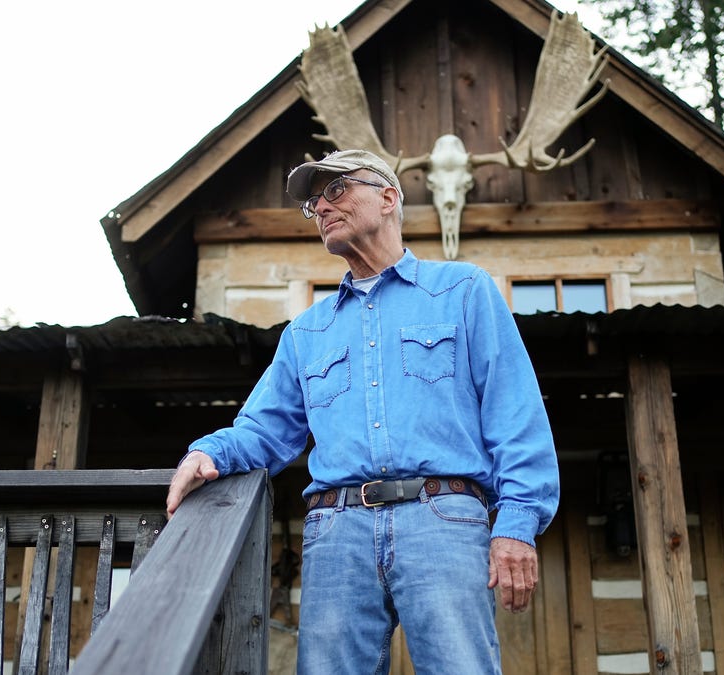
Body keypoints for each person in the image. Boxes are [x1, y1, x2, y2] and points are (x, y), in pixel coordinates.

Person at [165, 149, 559, 674]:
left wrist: (516, 522)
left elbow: (517, 416)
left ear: (389, 197)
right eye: (313, 203)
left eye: (335, 190)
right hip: (337, 531)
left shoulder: (465, 292)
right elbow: (262, 430)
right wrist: (208, 451)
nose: (321, 208)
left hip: (444, 519)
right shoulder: (306, 332)